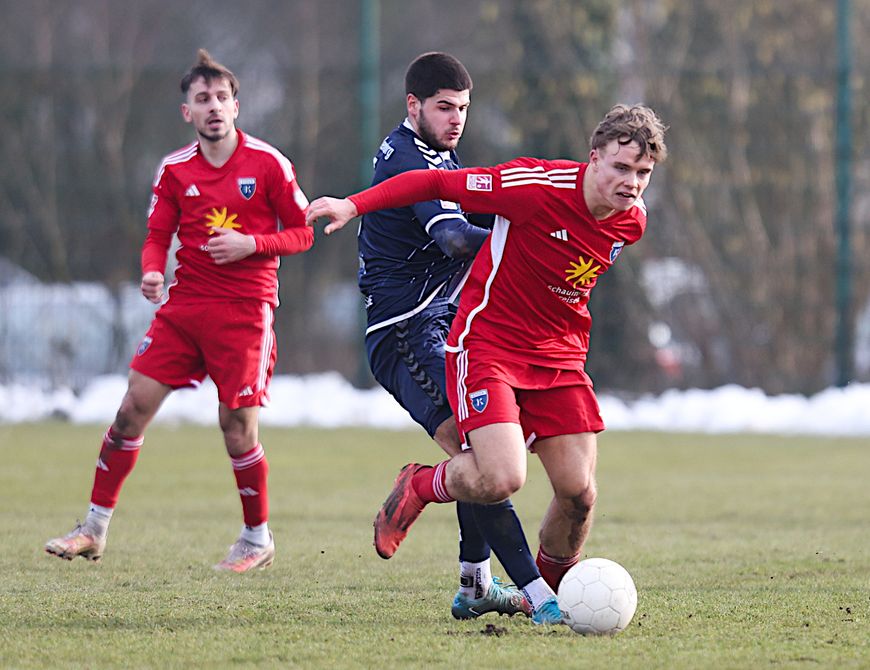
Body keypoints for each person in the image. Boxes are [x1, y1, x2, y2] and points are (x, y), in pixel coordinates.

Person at [307, 103, 668, 617]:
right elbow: (431, 186)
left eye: (643, 173)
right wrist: (354, 205)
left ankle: (551, 594)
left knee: (579, 495)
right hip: (488, 346)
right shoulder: (533, 186)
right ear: (593, 158)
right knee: (500, 477)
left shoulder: (632, 221)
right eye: (621, 167)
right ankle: (420, 484)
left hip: (560, 358)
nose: (631, 182)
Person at [45, 49, 314, 572]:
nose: (213, 106)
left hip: (245, 312)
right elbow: (157, 234)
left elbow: (304, 233)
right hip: (184, 307)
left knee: (236, 427)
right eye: (201, 99)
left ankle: (257, 538)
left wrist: (251, 245)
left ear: (236, 105)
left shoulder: (268, 164)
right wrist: (151, 271)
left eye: (221, 97)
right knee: (130, 410)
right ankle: (94, 528)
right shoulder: (174, 169)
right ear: (186, 112)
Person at [355, 52, 552, 621]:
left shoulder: (438, 152)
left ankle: (474, 584)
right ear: (412, 105)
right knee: (482, 460)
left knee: (483, 453)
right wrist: (530, 228)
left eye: (463, 107)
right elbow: (456, 241)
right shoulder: (411, 160)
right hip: (404, 334)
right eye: (444, 107)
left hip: (443, 324)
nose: (456, 118)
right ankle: (537, 594)